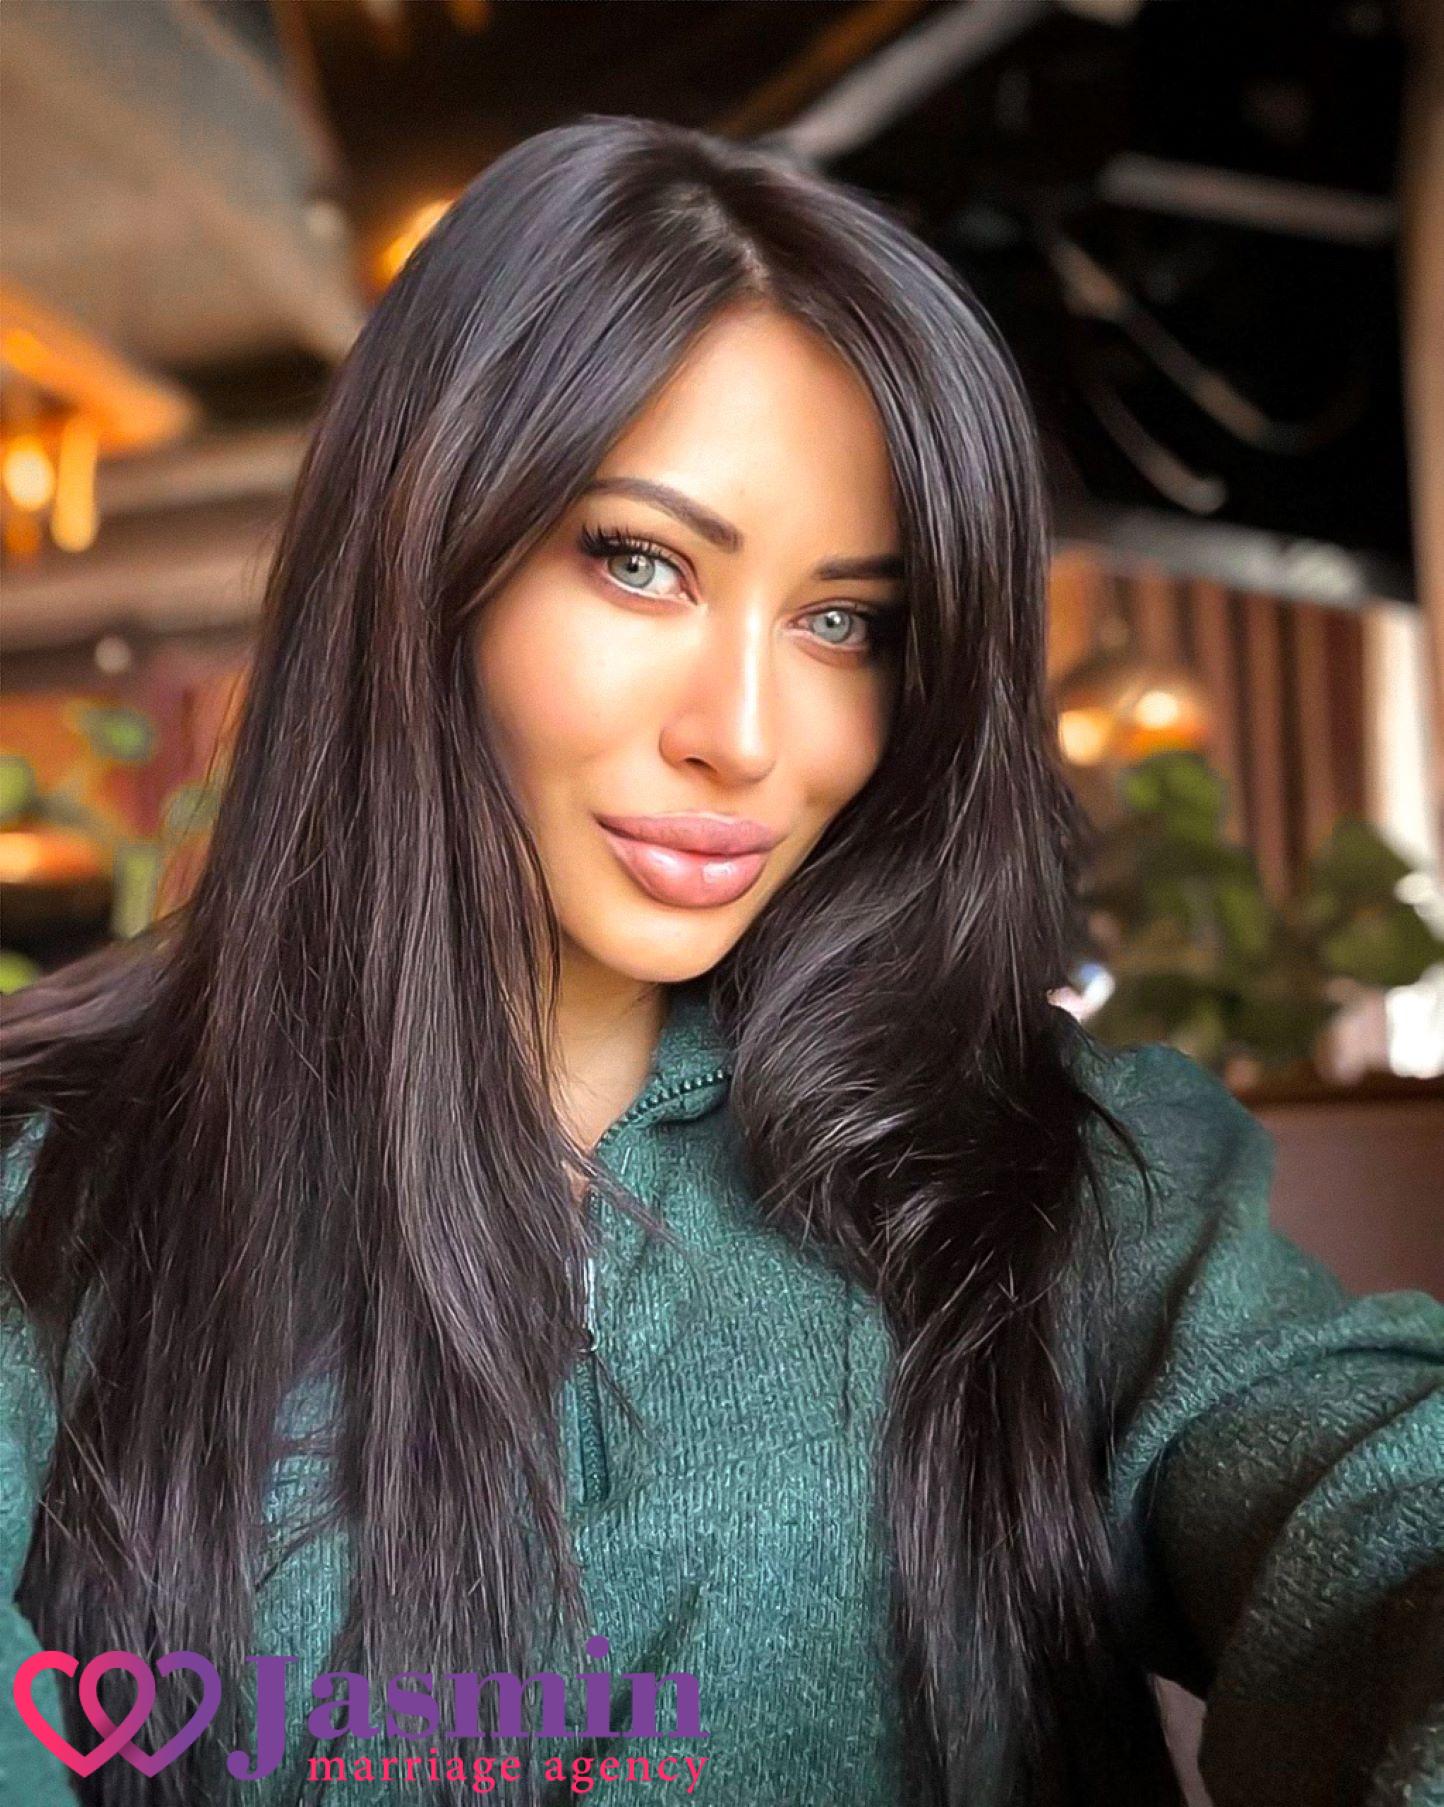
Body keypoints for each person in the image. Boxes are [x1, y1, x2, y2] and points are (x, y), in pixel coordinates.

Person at [1, 113, 1440, 1807]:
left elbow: (1369, 1502)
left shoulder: (1039, 1178)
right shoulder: (54, 1184)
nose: (748, 737)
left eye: (845, 622)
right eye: (643, 563)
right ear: (425, 553)